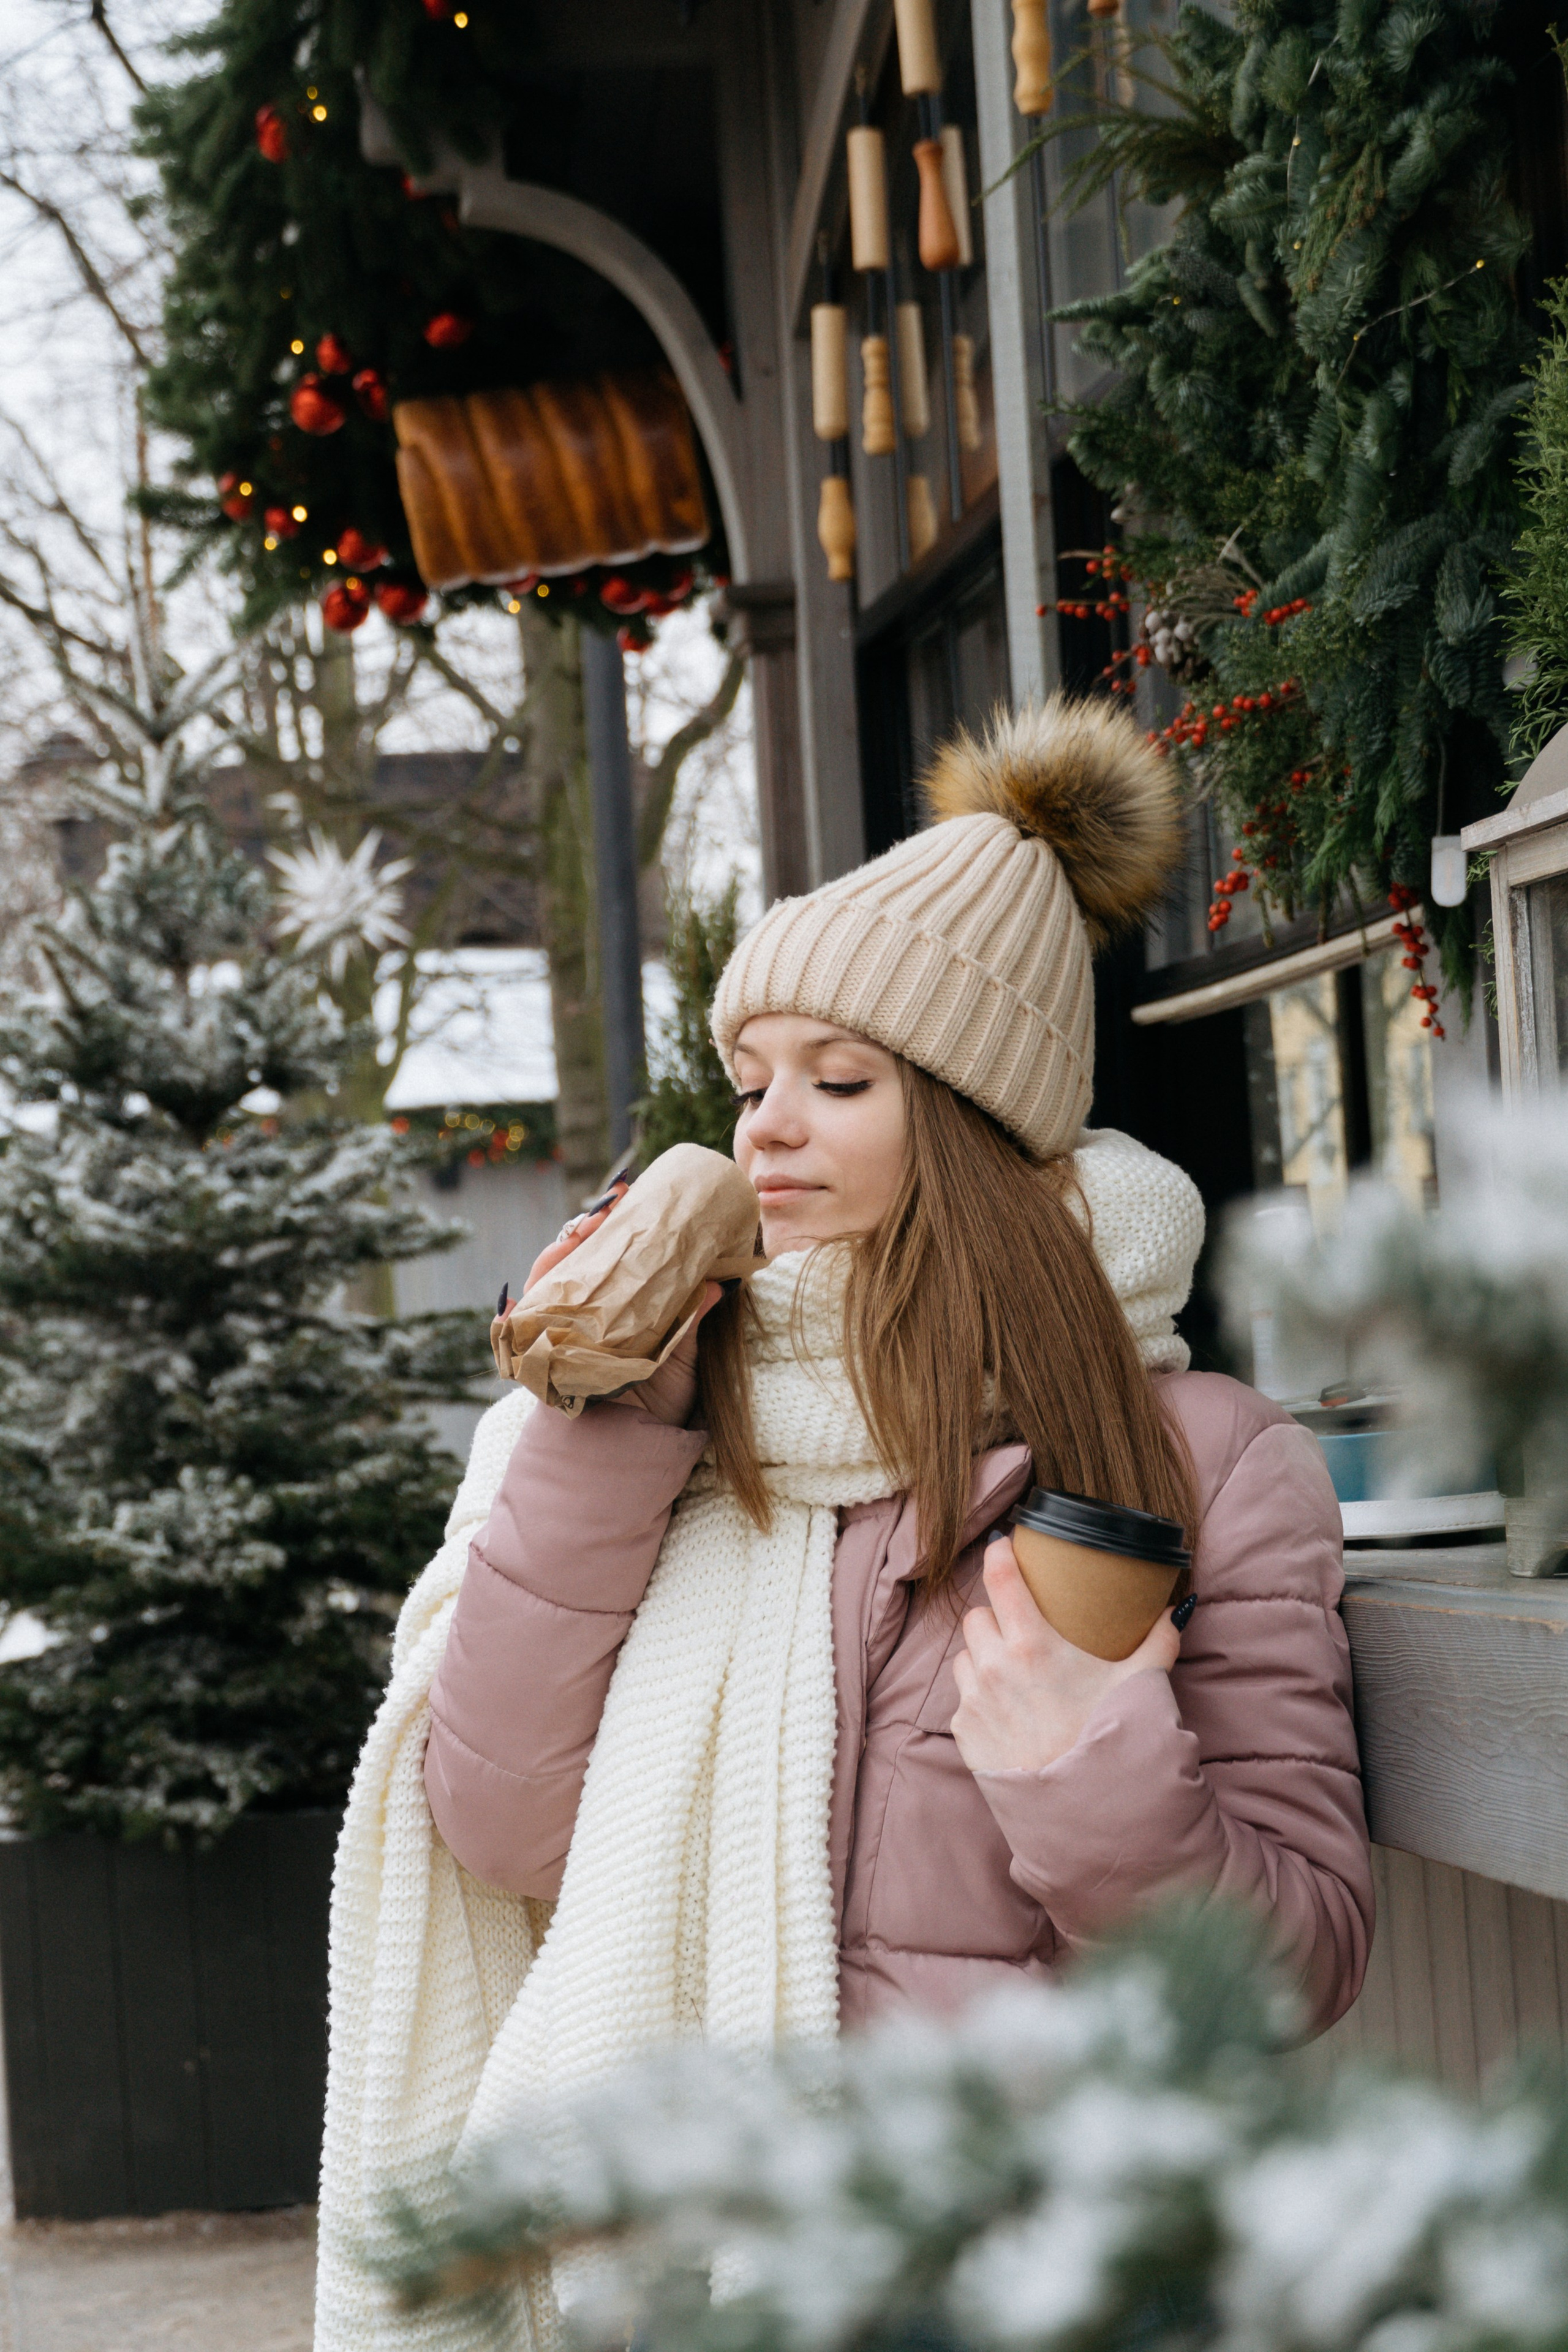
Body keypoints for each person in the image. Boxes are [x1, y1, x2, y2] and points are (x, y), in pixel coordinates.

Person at [315, 698, 1371, 2346]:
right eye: (752, 1082)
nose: (766, 1127)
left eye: (839, 1078)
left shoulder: (1205, 1460)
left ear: (968, 1118)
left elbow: (1296, 1964)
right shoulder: (677, 1425)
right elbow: (503, 1828)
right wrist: (607, 1433)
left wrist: (1085, 1770)